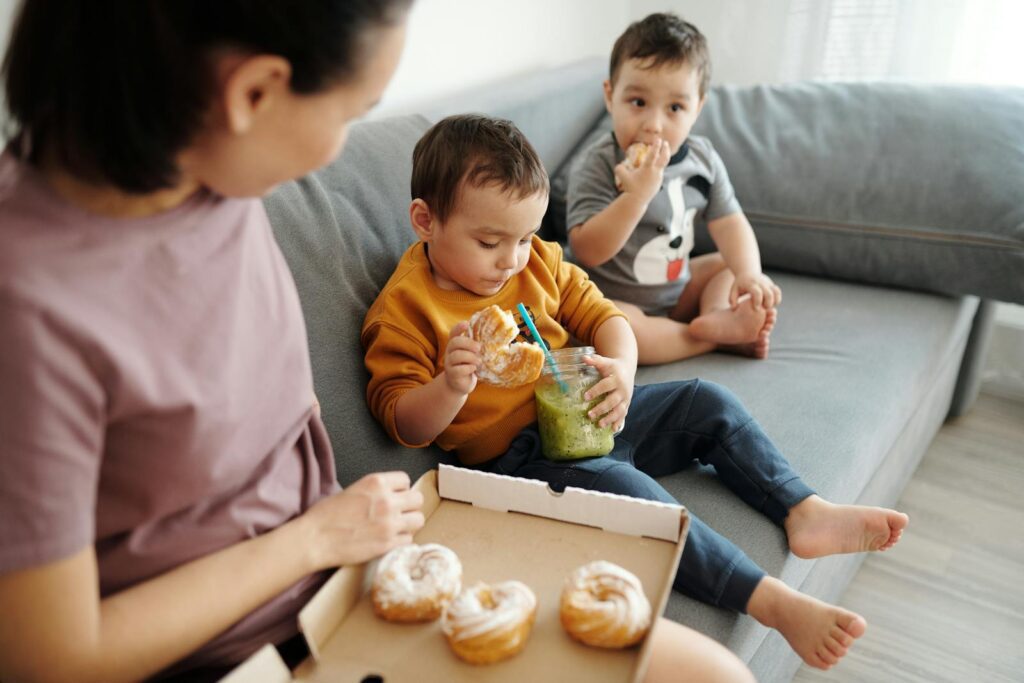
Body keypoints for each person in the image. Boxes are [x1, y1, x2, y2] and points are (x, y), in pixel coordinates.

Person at [362, 113, 910, 672]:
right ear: (426, 221)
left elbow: (605, 316)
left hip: (591, 409)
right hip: (522, 462)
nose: (511, 260)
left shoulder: (538, 265)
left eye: (525, 238)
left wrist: (622, 371)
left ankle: (805, 509)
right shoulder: (405, 311)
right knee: (631, 491)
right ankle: (770, 600)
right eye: (489, 242)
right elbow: (403, 423)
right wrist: (451, 386)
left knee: (706, 400)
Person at [0, 2, 424, 682]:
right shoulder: (26, 306)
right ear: (252, 92)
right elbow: (51, 659)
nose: (342, 143)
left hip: (349, 583)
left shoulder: (210, 174)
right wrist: (314, 539)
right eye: (352, 113)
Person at [566, 13, 780, 365]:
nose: (654, 125)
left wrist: (748, 275)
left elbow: (730, 223)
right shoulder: (599, 163)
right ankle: (704, 339)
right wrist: (636, 197)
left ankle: (718, 317)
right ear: (610, 96)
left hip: (677, 289)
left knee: (728, 266)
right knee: (614, 329)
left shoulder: (703, 159)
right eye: (638, 102)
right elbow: (587, 250)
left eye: (676, 107)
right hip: (611, 299)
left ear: (697, 108)